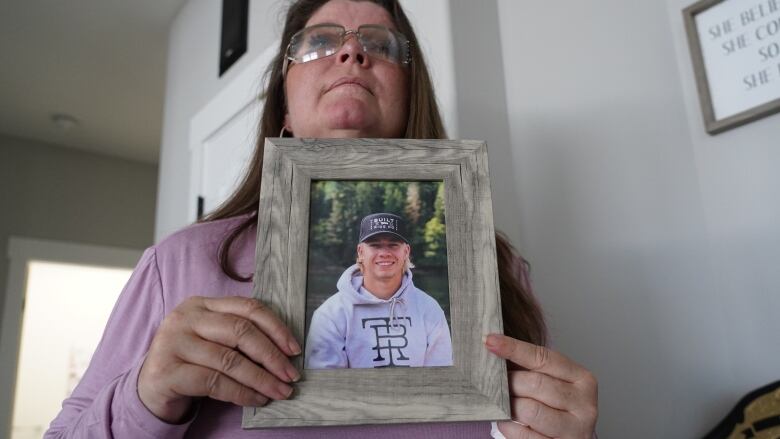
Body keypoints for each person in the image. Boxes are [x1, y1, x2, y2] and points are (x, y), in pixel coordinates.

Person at [46, 0, 598, 438]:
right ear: (284, 106)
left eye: (380, 44)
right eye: (320, 41)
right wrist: (147, 394)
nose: (352, 54)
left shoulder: (494, 270)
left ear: (411, 97)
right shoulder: (180, 262)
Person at [305, 212, 453, 369]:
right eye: (375, 245)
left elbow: (441, 376)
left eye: (393, 244)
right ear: (361, 252)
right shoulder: (330, 315)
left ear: (406, 252)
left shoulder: (429, 309)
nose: (384, 252)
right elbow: (326, 385)